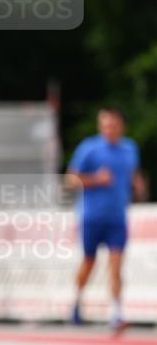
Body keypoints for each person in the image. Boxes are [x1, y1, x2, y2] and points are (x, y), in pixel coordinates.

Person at [65, 107, 146, 332]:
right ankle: (76, 301)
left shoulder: (130, 148)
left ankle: (116, 314)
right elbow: (70, 179)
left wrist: (138, 185)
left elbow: (133, 172)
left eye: (112, 124)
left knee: (116, 265)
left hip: (117, 217)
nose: (108, 128)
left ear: (121, 126)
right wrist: (96, 179)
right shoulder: (89, 148)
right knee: (89, 262)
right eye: (104, 124)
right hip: (92, 216)